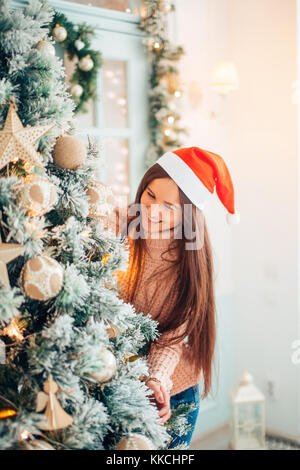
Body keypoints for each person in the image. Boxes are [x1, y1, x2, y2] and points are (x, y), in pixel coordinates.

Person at [111, 146, 240, 449]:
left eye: (169, 207)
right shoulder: (124, 224)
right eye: (150, 195)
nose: (152, 210)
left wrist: (156, 380)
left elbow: (170, 339)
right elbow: (97, 216)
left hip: (174, 388)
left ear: (188, 213)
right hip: (117, 379)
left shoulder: (189, 266)